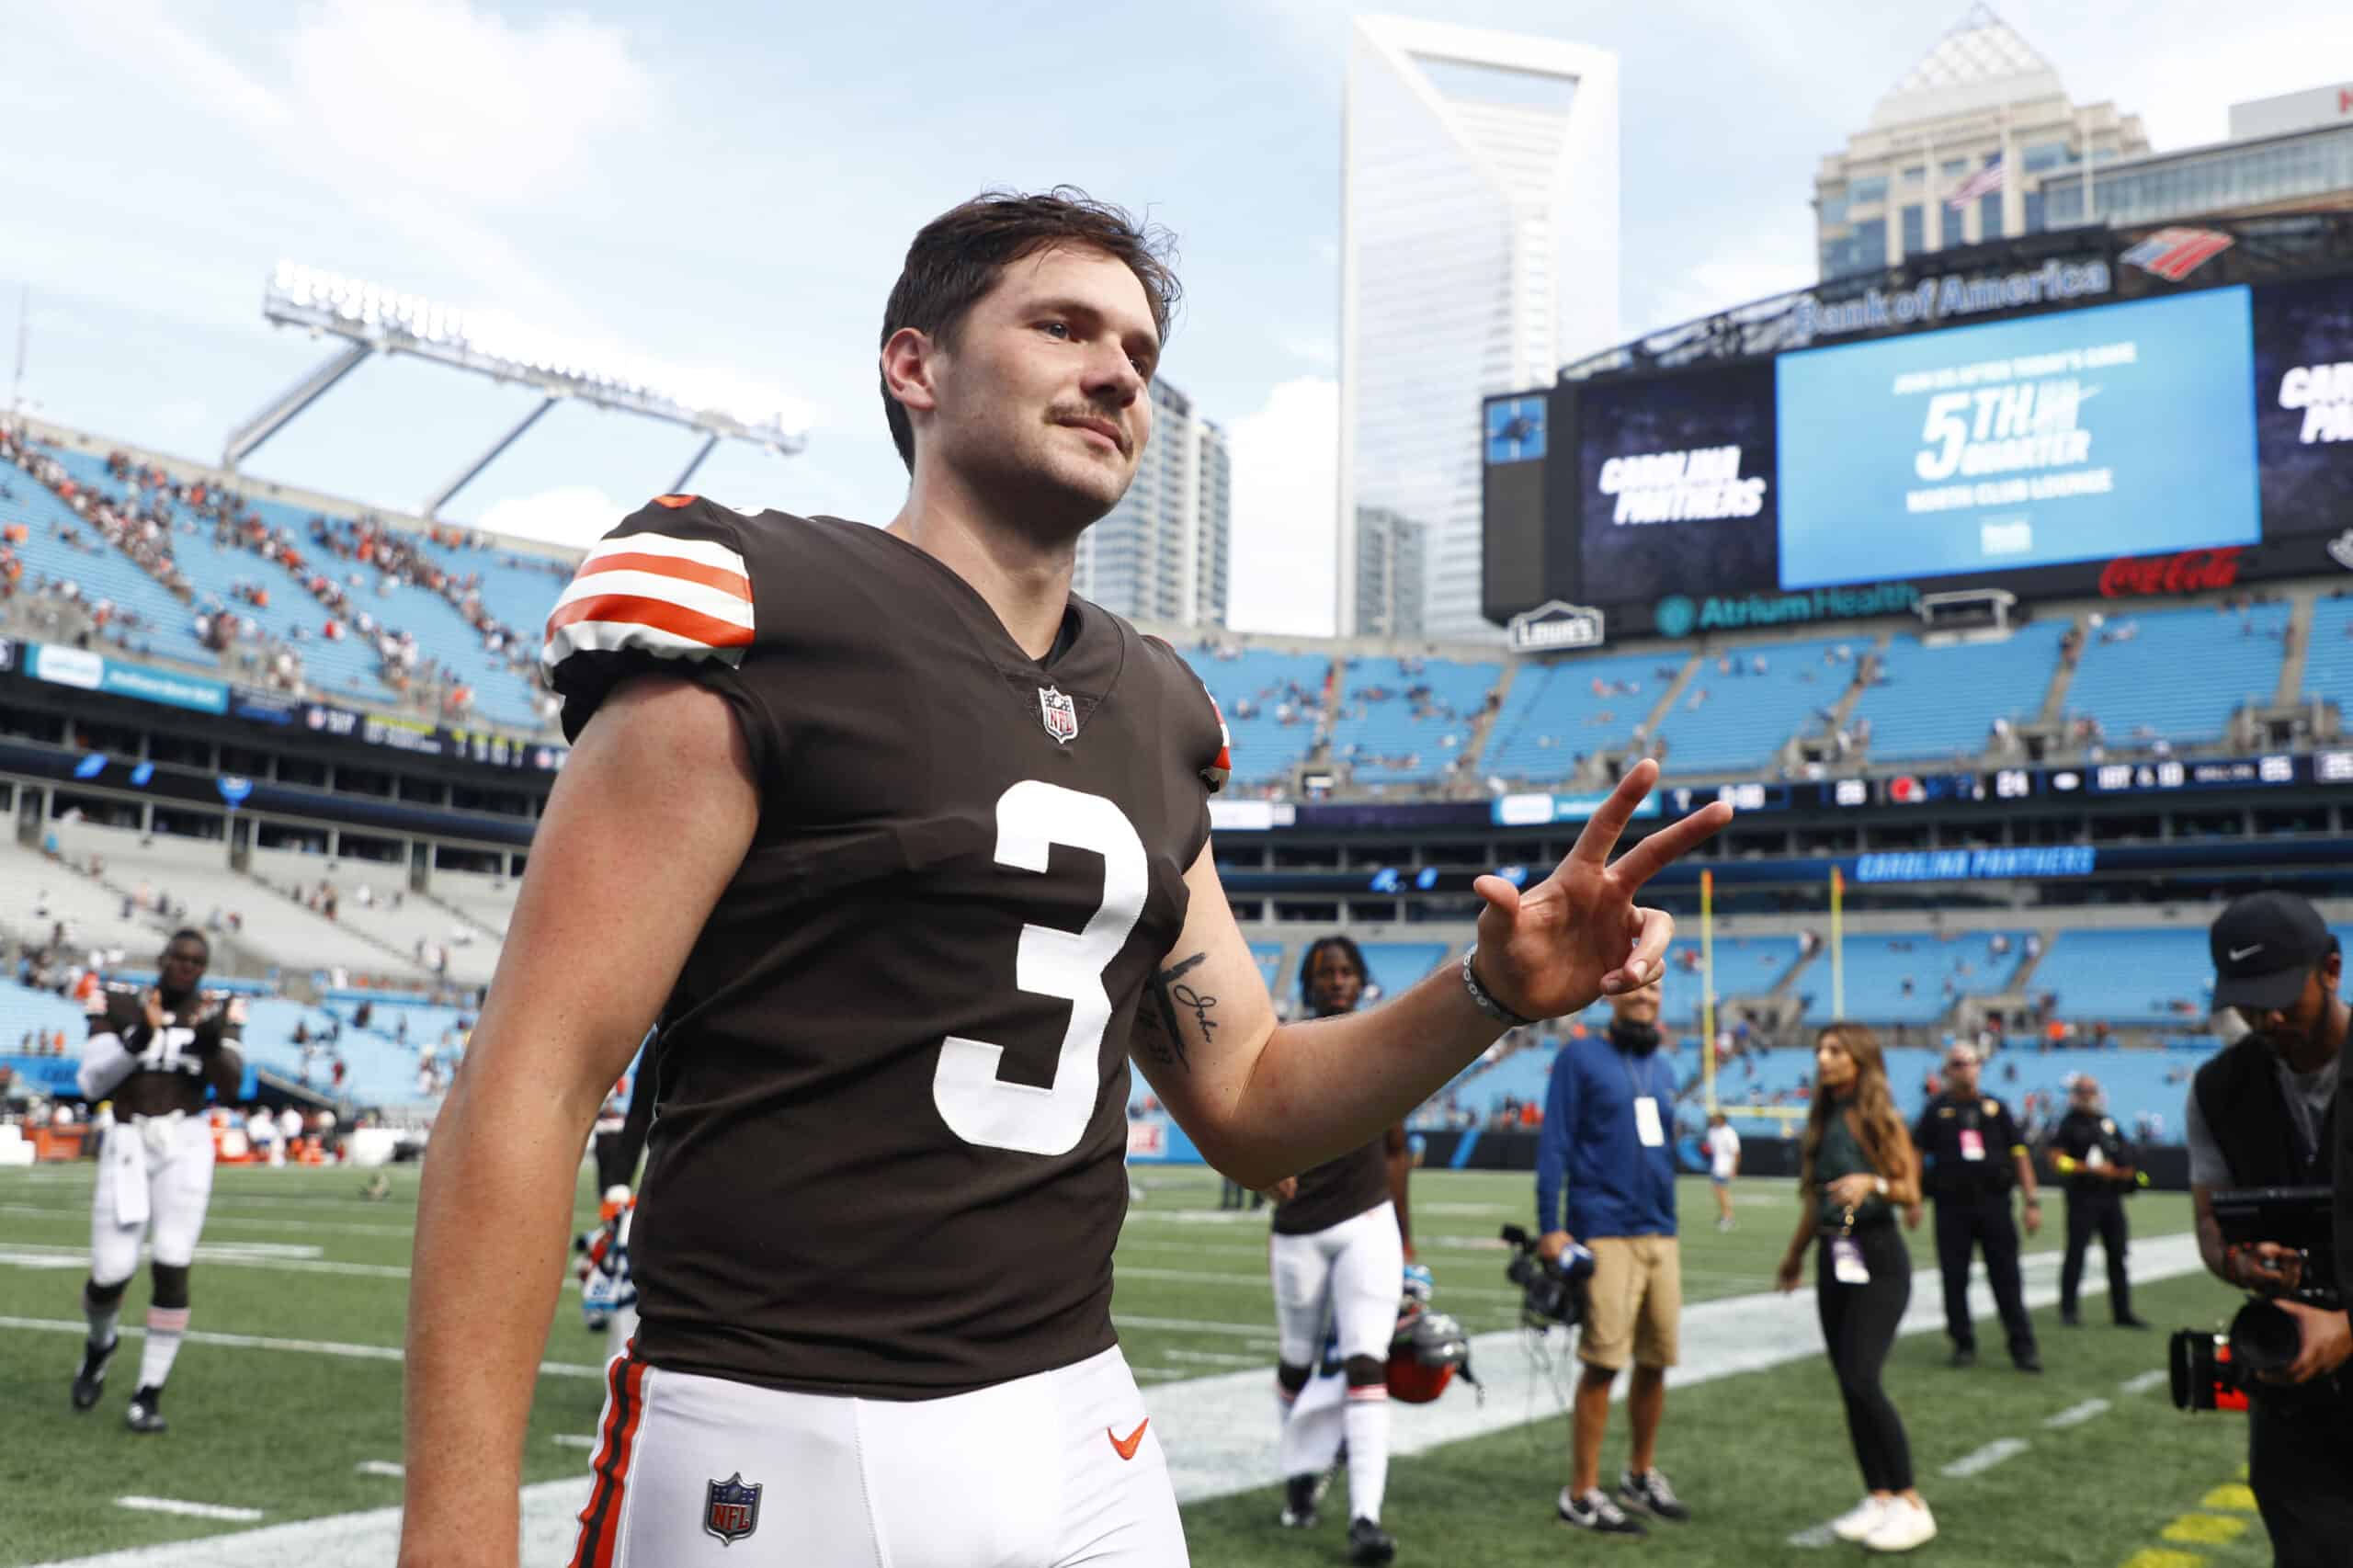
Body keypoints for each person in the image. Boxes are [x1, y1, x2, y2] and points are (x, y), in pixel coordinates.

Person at [396, 189, 1731, 1568]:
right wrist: (454, 1533)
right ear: (914, 365)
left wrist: (1486, 991)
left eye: (1140, 354)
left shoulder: (1155, 711)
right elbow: (529, 1080)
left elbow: (1254, 1100)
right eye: (1062, 325)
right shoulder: (760, 607)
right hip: (788, 1419)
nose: (1117, 373)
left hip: (1081, 1422)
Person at [2188, 892, 2353, 1565]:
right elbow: (2208, 1217)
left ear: (2332, 970)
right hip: (2294, 1390)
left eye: (2284, 994)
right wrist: (2239, 1262)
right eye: (2250, 1002)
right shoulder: (2218, 1087)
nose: (2270, 1016)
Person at [1263, 936, 1415, 1564]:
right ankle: (1301, 1472)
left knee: (1365, 1363)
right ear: (1308, 982)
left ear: (1362, 980)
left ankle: (1365, 1516)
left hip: (1369, 1223)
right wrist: (1262, 1166)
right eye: (1325, 972)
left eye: (1347, 971)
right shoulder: (1284, 1047)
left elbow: (1398, 1150)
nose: (1337, 980)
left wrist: (1409, 1243)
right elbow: (1254, 1128)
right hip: (1299, 1226)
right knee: (1297, 1363)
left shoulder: (1384, 1045)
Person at [1535, 971, 1691, 1538]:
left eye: (1653, 990)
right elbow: (1555, 1141)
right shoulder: (1579, 1058)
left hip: (1661, 1230)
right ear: (1611, 994)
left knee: (1656, 1360)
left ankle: (1640, 1473)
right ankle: (1580, 1492)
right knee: (1603, 1363)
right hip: (1603, 1229)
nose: (1645, 997)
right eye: (1636, 989)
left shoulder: (1665, 1065)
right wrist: (1550, 1226)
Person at [69, 929, 244, 1434]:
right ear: (163, 959)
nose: (187, 967)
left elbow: (231, 1088)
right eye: (180, 958)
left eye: (197, 961)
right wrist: (138, 1039)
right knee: (110, 1273)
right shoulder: (121, 1002)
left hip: (186, 1142)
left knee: (172, 1260)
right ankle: (100, 1345)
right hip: (127, 1141)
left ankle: (148, 1392)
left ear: (204, 967)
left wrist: (211, 1044)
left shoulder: (218, 1011)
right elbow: (91, 1083)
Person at [1777, 1024, 1933, 1552]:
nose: (1822, 1058)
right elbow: (1812, 1200)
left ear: (1860, 1060)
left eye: (1834, 1050)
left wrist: (1876, 1184)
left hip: (1878, 1256)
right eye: (1819, 1048)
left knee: (1864, 1376)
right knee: (1847, 1382)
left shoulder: (1880, 1116)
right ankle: (1879, 1495)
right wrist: (1795, 1256)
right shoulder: (1821, 1119)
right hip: (1832, 1255)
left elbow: (1912, 1189)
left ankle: (1911, 1500)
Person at [1913, 1042, 2042, 1372]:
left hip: (1995, 1204)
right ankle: (1962, 1343)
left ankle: (2022, 1347)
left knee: (2007, 1278)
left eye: (1970, 1063)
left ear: (1979, 1068)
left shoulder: (1996, 1108)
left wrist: (2031, 1200)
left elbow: (2020, 1154)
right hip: (1951, 1206)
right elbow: (1915, 1155)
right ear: (1947, 1070)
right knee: (1954, 1279)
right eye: (1957, 1064)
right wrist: (1913, 1198)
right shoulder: (1935, 1110)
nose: (1964, 1069)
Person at [2048, 1075, 2149, 1330]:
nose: (2086, 1094)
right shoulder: (2068, 1124)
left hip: (2111, 1198)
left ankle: (2122, 1311)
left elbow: (2126, 1158)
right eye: (2082, 1090)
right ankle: (2068, 1310)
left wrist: (2120, 1173)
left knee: (2117, 1255)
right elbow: (2057, 1161)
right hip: (2082, 1197)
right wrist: (2087, 1168)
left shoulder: (2108, 1123)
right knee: (2076, 1254)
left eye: (2090, 1090)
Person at [1703, 1111, 1741, 1231]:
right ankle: (1725, 1215)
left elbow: (1736, 1152)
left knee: (1722, 1192)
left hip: (1725, 1165)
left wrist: (1734, 1168)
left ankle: (1728, 1216)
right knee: (1717, 1191)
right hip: (1717, 1165)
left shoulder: (1729, 1132)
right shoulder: (1712, 1131)